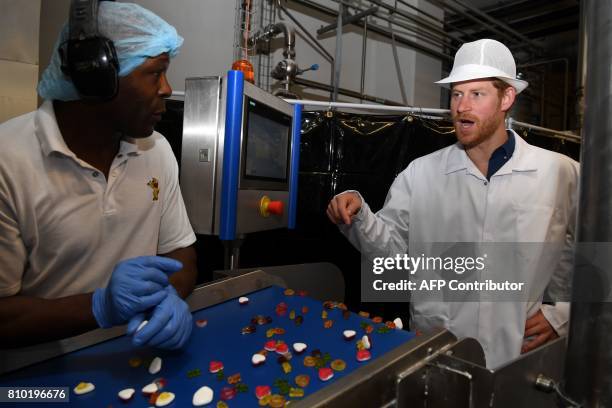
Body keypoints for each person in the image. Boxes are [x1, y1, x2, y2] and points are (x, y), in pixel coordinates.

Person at [327, 38, 578, 368]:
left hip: (519, 354)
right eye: (457, 93)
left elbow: (590, 251)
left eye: (477, 94)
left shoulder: (559, 172)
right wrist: (359, 216)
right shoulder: (421, 174)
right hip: (437, 349)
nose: (461, 106)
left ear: (507, 98)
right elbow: (392, 254)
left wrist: (563, 314)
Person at [0, 2, 197, 351]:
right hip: (36, 378)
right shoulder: (8, 161)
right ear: (96, 75)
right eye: (155, 72)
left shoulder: (157, 151)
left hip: (135, 359)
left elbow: (180, 252)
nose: (167, 88)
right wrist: (100, 307)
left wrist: (169, 296)